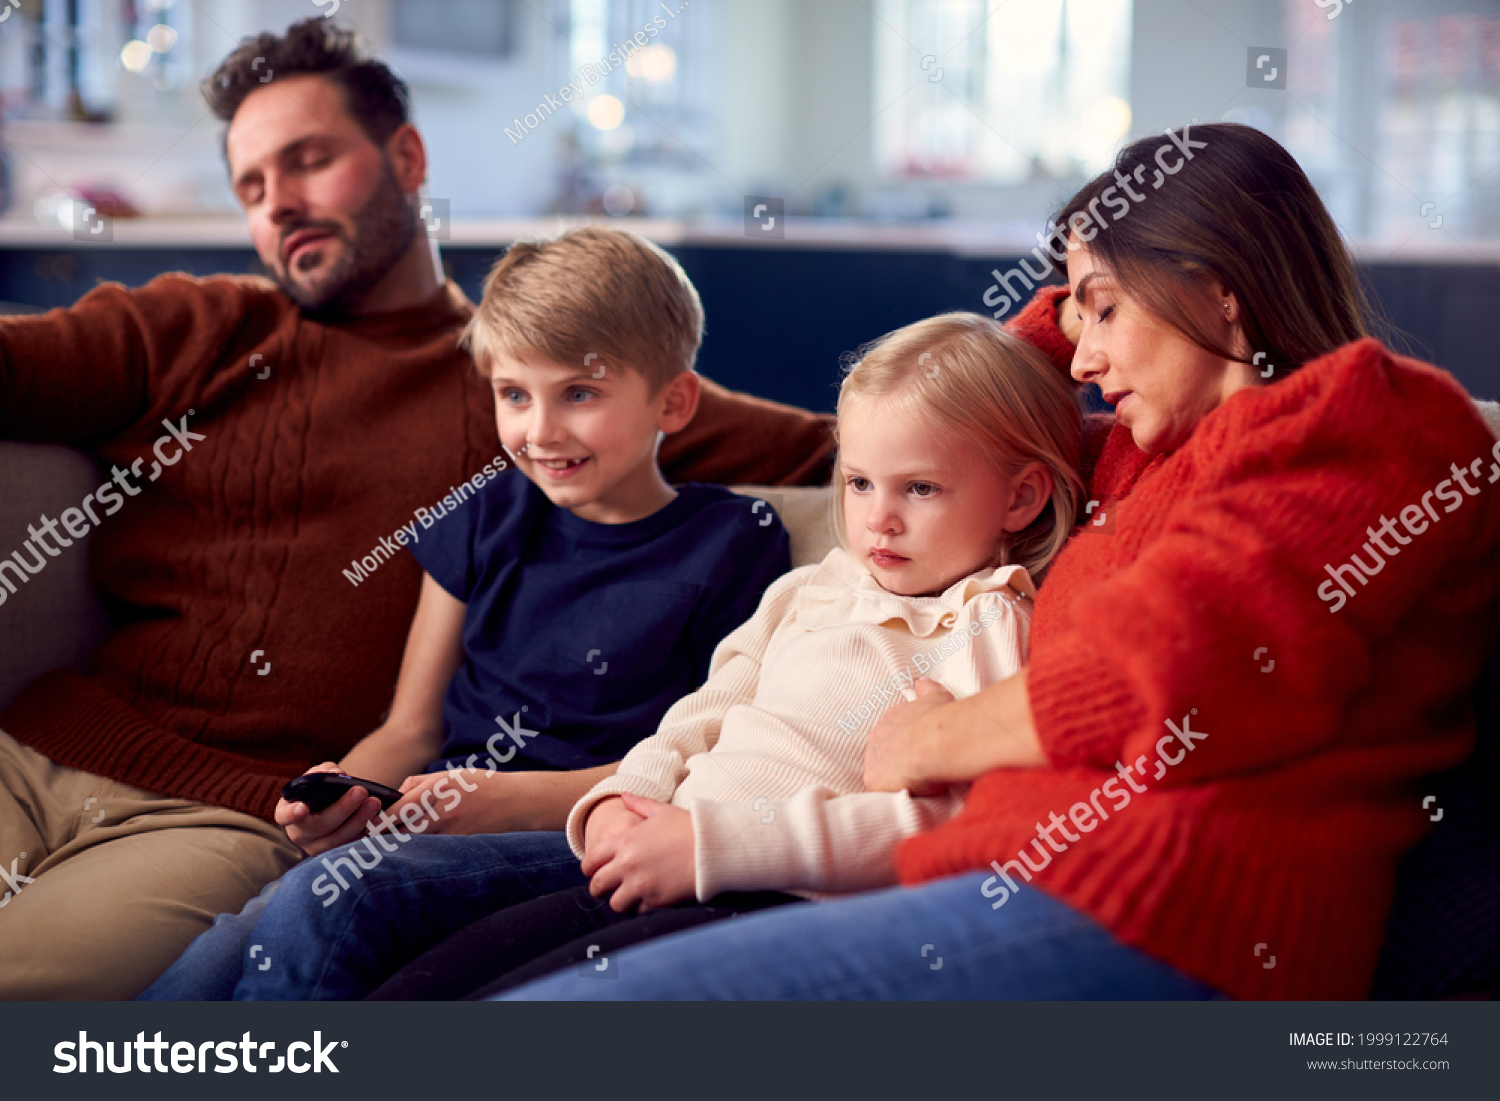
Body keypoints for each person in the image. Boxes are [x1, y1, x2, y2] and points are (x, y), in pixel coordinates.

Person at [490, 122, 1500, 1001]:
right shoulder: (1141, 454)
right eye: (1079, 312)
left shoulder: (1370, 415)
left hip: (1160, 905)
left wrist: (932, 740)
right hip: (990, 871)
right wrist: (1098, 278)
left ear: (1222, 293)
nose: (1086, 352)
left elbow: (1189, 672)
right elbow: (966, 396)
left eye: (1102, 309)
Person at [0, 19, 832, 999]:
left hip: (218, 818)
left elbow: (859, 442)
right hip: (31, 748)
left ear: (405, 156)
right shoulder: (201, 323)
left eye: (308, 162)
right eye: (253, 187)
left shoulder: (533, 375)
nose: (282, 207)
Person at [140, 224, 791, 1001]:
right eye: (514, 394)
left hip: (581, 836)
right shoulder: (485, 514)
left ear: (674, 400)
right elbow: (409, 731)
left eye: (579, 394)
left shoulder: (734, 541)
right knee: (219, 950)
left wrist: (503, 799)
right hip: (434, 821)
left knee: (330, 902)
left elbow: (707, 761)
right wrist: (343, 794)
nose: (540, 430)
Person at [364, 313, 1088, 1000]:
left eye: (920, 488)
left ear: (1021, 497)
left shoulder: (990, 622)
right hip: (659, 845)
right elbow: (701, 715)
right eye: (860, 482)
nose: (877, 519)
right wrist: (626, 798)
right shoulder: (813, 586)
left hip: (768, 896)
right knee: (416, 986)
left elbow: (939, 827)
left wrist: (713, 842)